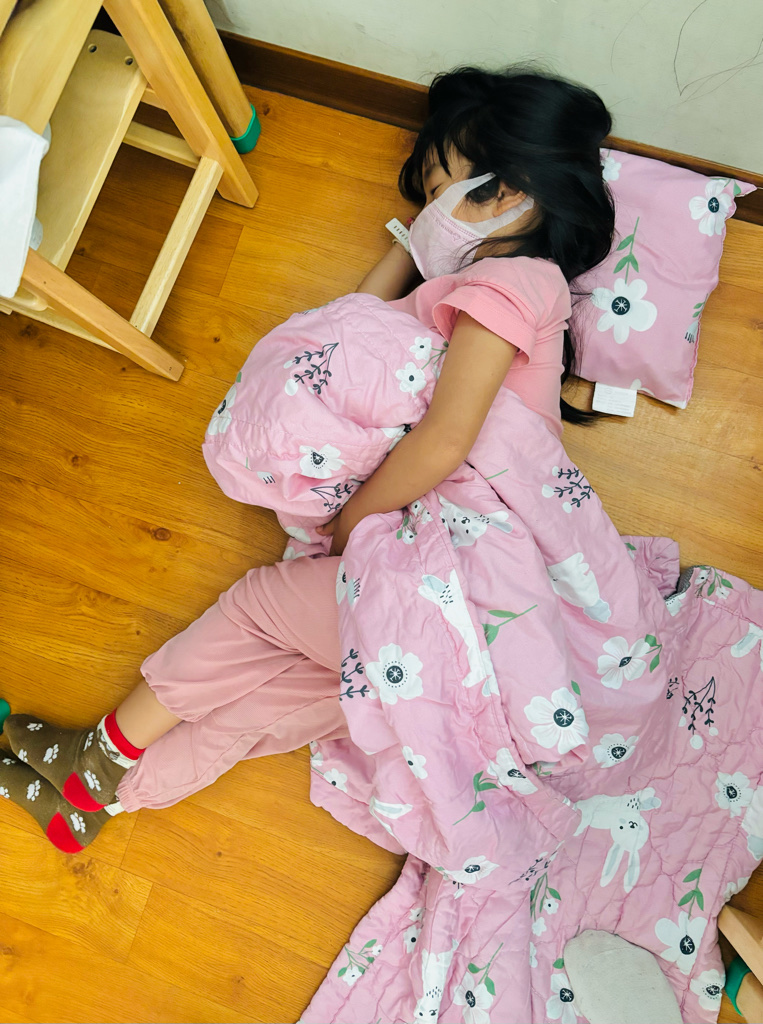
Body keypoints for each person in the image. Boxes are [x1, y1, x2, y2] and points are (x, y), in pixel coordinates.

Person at [0, 65, 615, 853]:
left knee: (257, 609)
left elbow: (445, 438)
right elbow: (350, 324)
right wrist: (413, 242)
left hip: (460, 580)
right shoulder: (469, 297)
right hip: (472, 649)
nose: (427, 213)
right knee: (280, 696)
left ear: (507, 194)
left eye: (439, 190)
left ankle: (99, 753)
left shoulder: (516, 279)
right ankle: (94, 809)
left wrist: (351, 523)